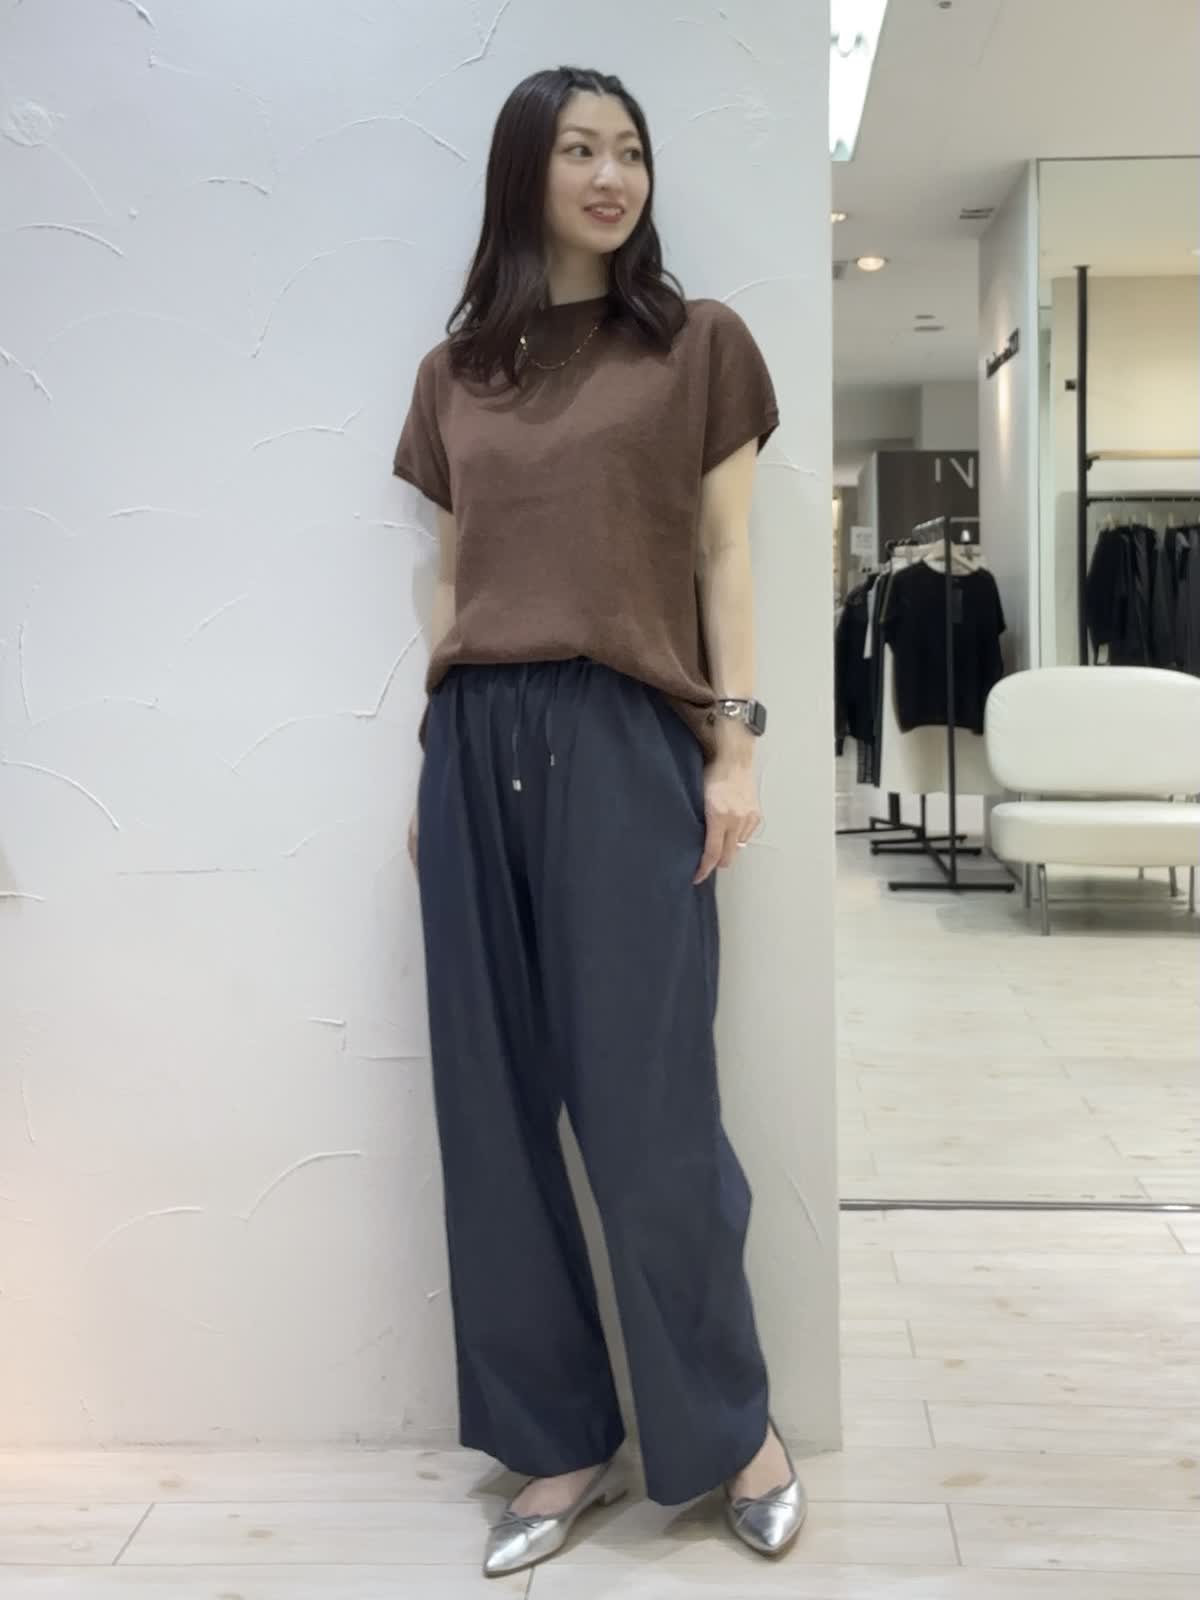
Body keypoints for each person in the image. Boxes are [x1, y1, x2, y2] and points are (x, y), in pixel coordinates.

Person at [392, 64, 806, 1579]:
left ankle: (730, 1432)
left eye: (629, 149)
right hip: (475, 738)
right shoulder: (456, 374)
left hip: (630, 733)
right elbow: (455, 578)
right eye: (579, 149)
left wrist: (733, 746)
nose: (611, 174)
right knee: (492, 1111)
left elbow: (724, 555)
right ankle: (559, 1440)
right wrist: (432, 759)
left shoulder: (697, 345)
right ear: (528, 171)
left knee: (650, 1117)